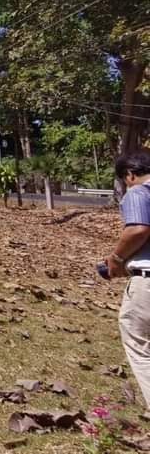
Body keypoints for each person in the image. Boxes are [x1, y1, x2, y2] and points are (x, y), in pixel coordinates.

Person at [110, 149, 150, 410]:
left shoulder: (139, 192)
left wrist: (116, 258)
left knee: (138, 344)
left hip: (147, 281)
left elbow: (138, 229)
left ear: (130, 175)